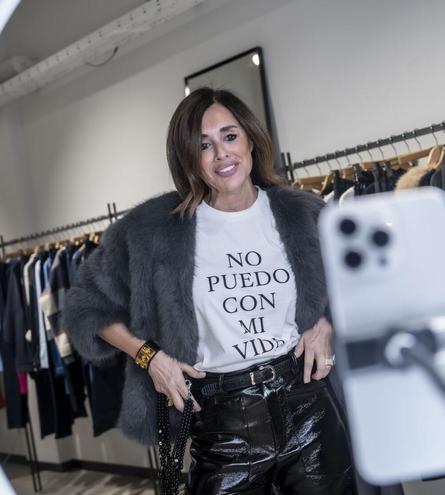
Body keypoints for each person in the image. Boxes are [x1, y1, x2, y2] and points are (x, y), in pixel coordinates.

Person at [63, 87, 355, 494]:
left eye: (230, 136)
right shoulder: (158, 230)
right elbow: (85, 308)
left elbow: (354, 284)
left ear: (251, 138)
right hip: (223, 425)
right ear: (189, 158)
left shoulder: (303, 212)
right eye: (204, 145)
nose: (222, 154)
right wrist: (151, 358)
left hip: (308, 409)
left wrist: (324, 322)